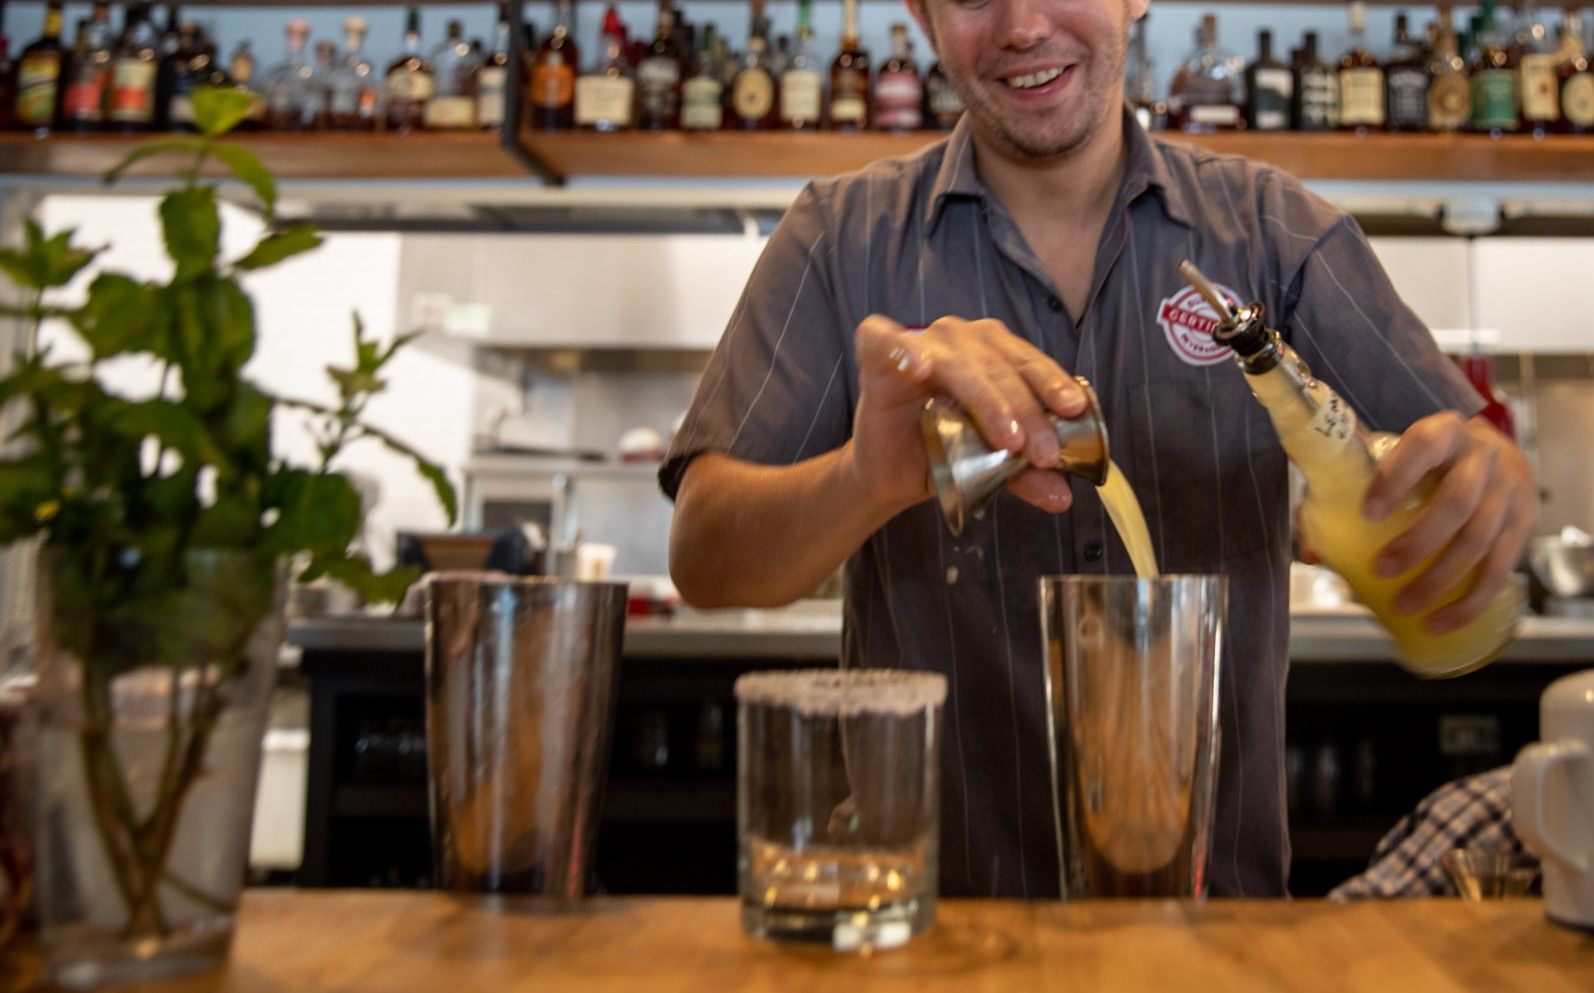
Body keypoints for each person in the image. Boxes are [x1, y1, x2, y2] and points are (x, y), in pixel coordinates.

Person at [659, 0, 1536, 898]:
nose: (1022, 26)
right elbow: (704, 556)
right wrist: (863, 478)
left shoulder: (1278, 237)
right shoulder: (839, 241)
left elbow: (1457, 455)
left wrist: (1483, 486)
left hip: (1213, 934)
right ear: (922, 16)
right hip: (937, 934)